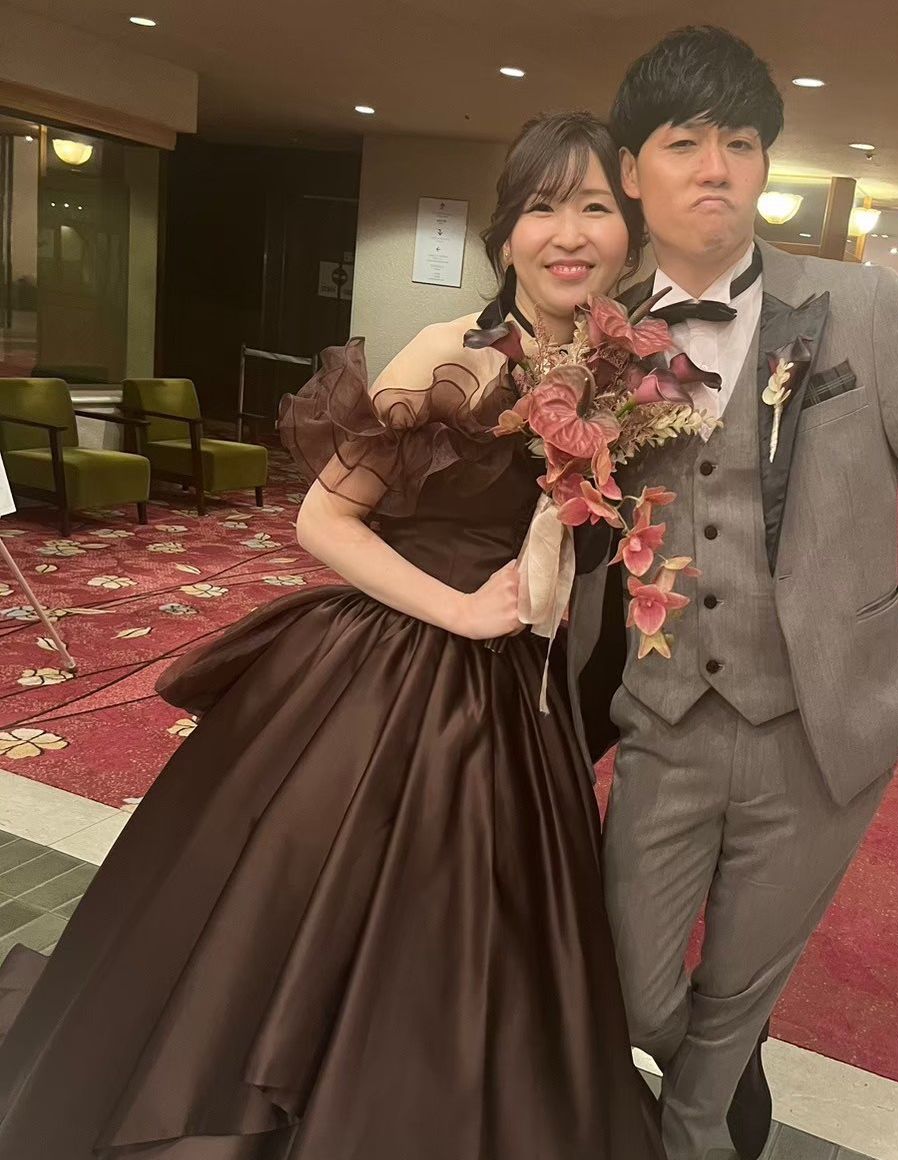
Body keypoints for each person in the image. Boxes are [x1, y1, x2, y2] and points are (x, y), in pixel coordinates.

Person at [0, 112, 664, 1160]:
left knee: (478, 928)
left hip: (516, 694)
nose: (569, 232)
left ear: (631, 231)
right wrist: (461, 610)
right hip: (392, 668)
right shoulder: (451, 354)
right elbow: (322, 519)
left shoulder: (617, 376)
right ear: (505, 235)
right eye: (543, 207)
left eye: (595, 208)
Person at [565, 27, 898, 1160]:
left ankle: (698, 1137)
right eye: (684, 143)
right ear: (632, 169)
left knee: (738, 992)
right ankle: (711, 1094)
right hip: (665, 719)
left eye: (740, 143)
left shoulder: (859, 307)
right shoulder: (594, 335)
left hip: (823, 732)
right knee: (629, 989)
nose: (716, 168)